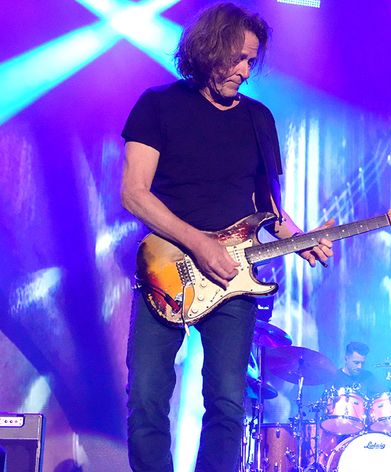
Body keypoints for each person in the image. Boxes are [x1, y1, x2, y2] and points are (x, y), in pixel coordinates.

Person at [120, 3, 333, 471]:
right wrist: (199, 243)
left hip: (235, 275)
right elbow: (134, 193)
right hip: (166, 268)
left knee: (227, 403)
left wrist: (301, 238)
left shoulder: (258, 119)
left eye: (251, 61)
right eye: (237, 58)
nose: (245, 71)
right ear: (207, 49)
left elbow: (269, 209)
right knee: (147, 397)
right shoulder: (158, 105)